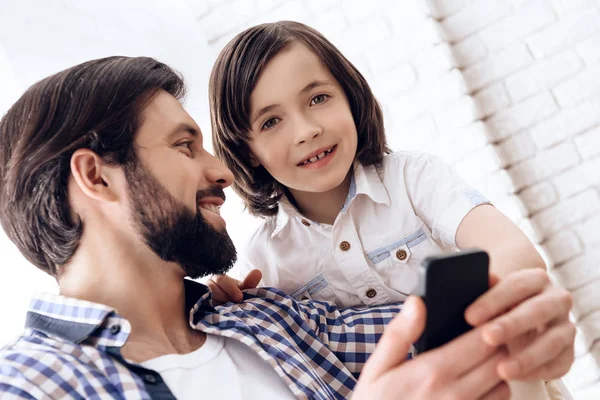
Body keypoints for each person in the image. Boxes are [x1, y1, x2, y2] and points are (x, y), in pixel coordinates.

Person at [0, 56, 574, 400]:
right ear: (96, 177)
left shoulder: (274, 317)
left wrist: (523, 330)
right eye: (183, 145)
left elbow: (459, 339)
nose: (222, 171)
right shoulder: (31, 386)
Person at [207, 21, 573, 399]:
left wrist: (487, 324)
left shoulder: (414, 178)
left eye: (318, 99)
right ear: (247, 150)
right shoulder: (264, 259)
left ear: (349, 96)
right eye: (271, 121)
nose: (306, 130)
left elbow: (515, 254)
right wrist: (233, 303)